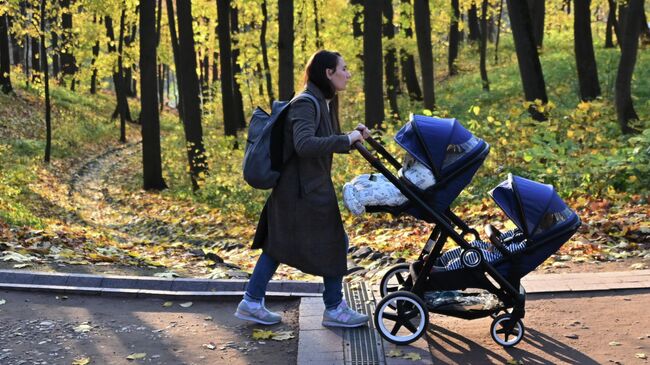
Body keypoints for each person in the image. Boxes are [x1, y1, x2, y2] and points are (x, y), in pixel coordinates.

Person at [235, 50, 371, 327]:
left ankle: (251, 301)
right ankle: (334, 308)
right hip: (304, 192)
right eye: (343, 68)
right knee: (334, 244)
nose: (348, 73)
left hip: (302, 188)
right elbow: (305, 145)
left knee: (276, 245)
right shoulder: (306, 103)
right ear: (328, 73)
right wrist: (345, 139)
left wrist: (352, 139)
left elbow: (320, 140)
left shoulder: (321, 101)